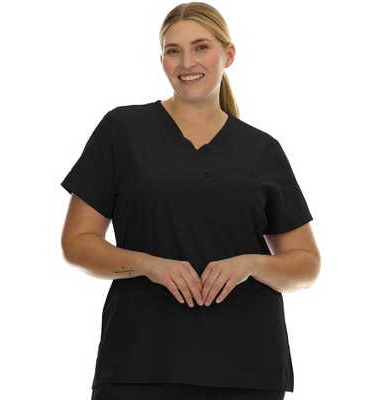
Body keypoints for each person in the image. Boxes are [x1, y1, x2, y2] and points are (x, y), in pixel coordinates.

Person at [61, 2, 320, 399]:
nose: (186, 63)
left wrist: (251, 264)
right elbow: (77, 243)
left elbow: (306, 264)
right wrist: (146, 264)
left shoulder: (263, 150)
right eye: (173, 50)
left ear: (228, 55)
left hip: (247, 367)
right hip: (140, 361)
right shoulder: (122, 130)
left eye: (201, 47)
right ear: (162, 59)